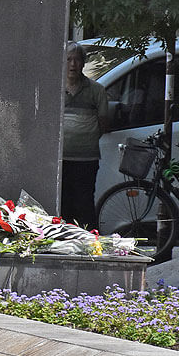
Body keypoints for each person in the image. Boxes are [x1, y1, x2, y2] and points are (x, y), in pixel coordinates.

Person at [61, 41, 109, 229]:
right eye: (68, 59)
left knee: (84, 203)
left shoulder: (96, 90)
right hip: (61, 159)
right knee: (63, 204)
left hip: (86, 159)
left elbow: (103, 123)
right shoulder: (55, 89)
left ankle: (90, 241)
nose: (73, 64)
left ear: (83, 63)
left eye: (77, 60)